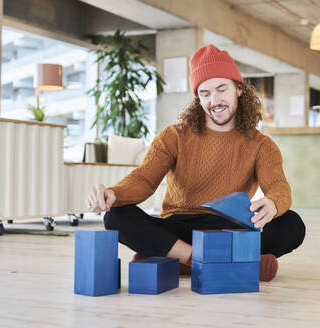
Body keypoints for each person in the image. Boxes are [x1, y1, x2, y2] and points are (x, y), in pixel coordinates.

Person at [87, 44, 305, 282]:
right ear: (197, 98)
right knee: (116, 216)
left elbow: (279, 187)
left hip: (228, 229)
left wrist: (273, 203)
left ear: (239, 89)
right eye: (205, 94)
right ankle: (209, 260)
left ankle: (174, 259)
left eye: (222, 89)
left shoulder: (262, 144)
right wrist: (113, 193)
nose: (215, 100)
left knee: (292, 224)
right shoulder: (174, 136)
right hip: (180, 226)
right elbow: (144, 179)